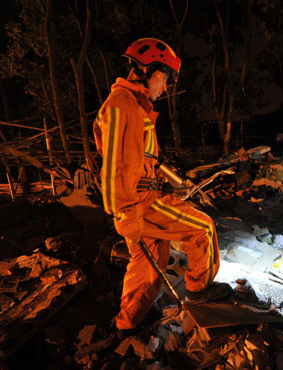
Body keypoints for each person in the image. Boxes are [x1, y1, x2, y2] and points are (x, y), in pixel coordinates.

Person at [93, 38, 231, 336]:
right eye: (165, 77)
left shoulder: (135, 107)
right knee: (203, 228)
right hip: (140, 202)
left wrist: (171, 183)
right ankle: (199, 294)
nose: (166, 86)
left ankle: (126, 324)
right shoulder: (122, 106)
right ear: (146, 69)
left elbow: (141, 161)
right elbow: (116, 167)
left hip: (143, 197)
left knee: (149, 261)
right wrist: (124, 214)